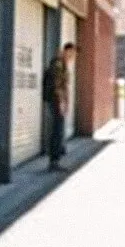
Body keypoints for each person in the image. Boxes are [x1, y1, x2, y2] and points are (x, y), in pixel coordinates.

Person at [43, 42, 76, 171]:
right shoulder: (58, 64)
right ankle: (54, 162)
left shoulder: (63, 64)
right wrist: (61, 102)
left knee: (58, 129)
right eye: (71, 53)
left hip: (58, 101)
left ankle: (56, 158)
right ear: (66, 51)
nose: (73, 56)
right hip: (56, 101)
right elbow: (57, 85)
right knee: (57, 130)